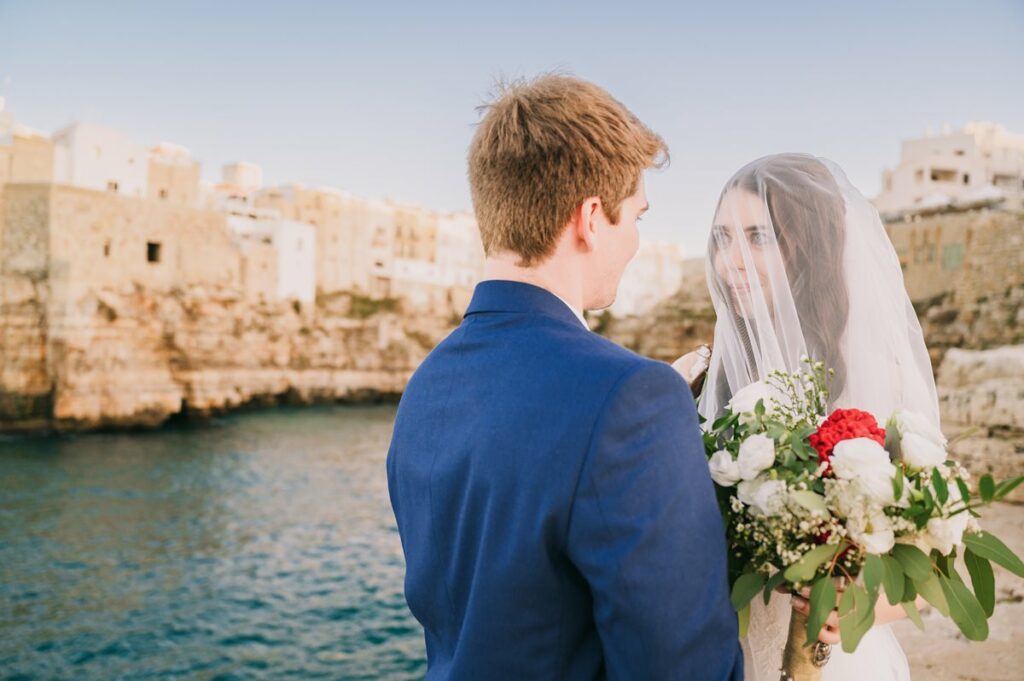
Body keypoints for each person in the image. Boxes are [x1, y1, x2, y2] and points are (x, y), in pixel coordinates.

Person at [386, 74, 743, 680]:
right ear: (591, 218)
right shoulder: (632, 399)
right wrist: (646, 413)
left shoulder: (427, 382)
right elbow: (683, 666)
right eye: (637, 216)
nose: (635, 241)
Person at [682, 153, 938, 681]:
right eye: (722, 238)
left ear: (809, 246)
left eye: (757, 237)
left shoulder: (877, 376)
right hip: (727, 656)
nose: (732, 261)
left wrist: (849, 609)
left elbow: (927, 565)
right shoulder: (703, 380)